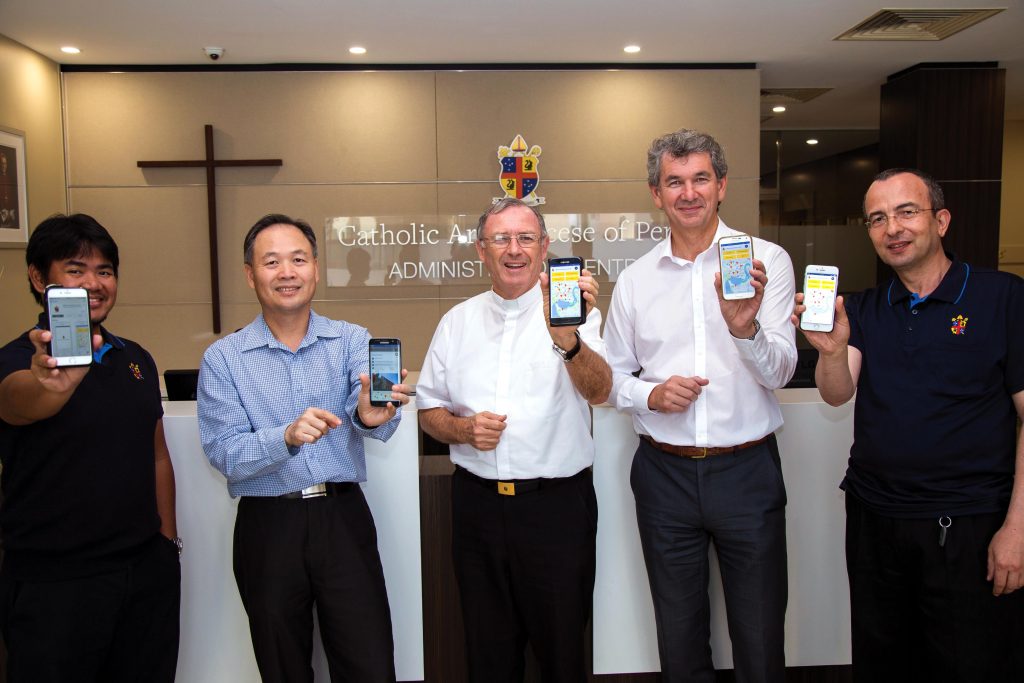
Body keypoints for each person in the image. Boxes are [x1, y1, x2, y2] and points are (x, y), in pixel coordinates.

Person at [793, 168, 1024, 682]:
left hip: (969, 524)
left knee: (970, 662)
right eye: (878, 218)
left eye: (906, 212)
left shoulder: (1002, 298)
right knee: (883, 659)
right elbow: (837, 392)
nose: (892, 228)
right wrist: (830, 350)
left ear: (940, 221)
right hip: (876, 520)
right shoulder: (868, 308)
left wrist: (1018, 528)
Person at [604, 129, 797, 683]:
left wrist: (745, 328)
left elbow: (781, 370)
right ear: (656, 193)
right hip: (663, 474)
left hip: (748, 470)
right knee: (679, 635)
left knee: (760, 635)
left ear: (722, 186)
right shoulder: (637, 280)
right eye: (674, 182)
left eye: (700, 179)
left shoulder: (768, 261)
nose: (688, 193)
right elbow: (613, 377)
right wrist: (651, 395)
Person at [197, 213, 411, 682]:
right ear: (251, 275)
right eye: (271, 262)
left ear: (315, 268)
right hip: (268, 525)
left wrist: (370, 415)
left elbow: (372, 421)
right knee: (283, 666)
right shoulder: (222, 358)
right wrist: (286, 437)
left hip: (342, 520)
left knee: (369, 663)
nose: (287, 272)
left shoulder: (351, 339)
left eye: (298, 259)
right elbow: (224, 453)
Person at [417, 198, 611, 683]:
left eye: (525, 238)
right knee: (488, 656)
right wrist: (462, 430)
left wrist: (568, 339)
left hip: (557, 511)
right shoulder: (456, 322)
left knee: (563, 654)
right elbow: (427, 409)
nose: (514, 249)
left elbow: (600, 392)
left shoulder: (577, 317)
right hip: (477, 511)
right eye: (501, 238)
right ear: (482, 250)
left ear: (544, 248)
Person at [0, 213, 180, 682]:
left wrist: (167, 544)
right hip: (55, 584)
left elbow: (157, 453)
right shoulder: (20, 361)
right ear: (40, 278)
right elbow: (24, 400)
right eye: (75, 269)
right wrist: (51, 385)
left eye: (105, 271)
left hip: (144, 574)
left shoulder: (135, 358)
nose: (95, 283)